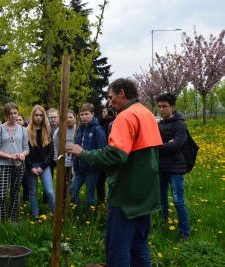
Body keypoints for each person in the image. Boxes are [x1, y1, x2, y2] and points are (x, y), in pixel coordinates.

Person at [67, 78, 162, 266]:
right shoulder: (147, 113)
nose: (109, 102)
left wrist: (83, 153)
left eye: (111, 97)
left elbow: (115, 155)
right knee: (139, 246)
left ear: (121, 94)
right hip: (147, 192)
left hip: (126, 194)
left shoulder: (125, 117)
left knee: (117, 249)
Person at [157, 93, 190, 241]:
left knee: (178, 200)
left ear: (173, 107)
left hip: (175, 168)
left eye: (165, 106)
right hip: (161, 167)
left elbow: (177, 144)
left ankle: (184, 232)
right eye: (159, 106)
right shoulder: (159, 124)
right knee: (161, 198)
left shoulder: (180, 124)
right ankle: (163, 222)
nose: (161, 109)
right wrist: (167, 144)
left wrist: (162, 145)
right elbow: (154, 143)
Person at [0, 102, 29, 222]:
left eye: (15, 113)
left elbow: (26, 148)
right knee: (2, 194)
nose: (13, 116)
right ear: (6, 115)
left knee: (15, 193)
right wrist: (9, 156)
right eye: (10, 114)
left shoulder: (23, 130)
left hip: (19, 165)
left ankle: (13, 219)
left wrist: (22, 154)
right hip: (3, 165)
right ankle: (0, 219)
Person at [70, 103, 106, 218]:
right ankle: (78, 215)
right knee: (73, 190)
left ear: (92, 114)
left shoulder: (98, 129)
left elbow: (102, 150)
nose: (84, 117)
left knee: (90, 194)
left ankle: (89, 219)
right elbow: (76, 147)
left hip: (92, 169)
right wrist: (73, 165)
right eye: (82, 114)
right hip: (79, 168)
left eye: (86, 114)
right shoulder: (80, 128)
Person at [26, 105, 55, 219]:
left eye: (41, 115)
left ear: (44, 117)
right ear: (33, 116)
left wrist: (43, 166)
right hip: (31, 165)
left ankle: (55, 215)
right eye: (36, 115)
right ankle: (35, 216)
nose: (38, 117)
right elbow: (24, 150)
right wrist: (30, 167)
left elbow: (51, 152)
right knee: (33, 192)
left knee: (49, 191)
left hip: (44, 165)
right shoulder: (26, 131)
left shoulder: (47, 130)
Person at [53, 109, 77, 200]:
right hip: (63, 162)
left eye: (71, 117)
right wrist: (57, 160)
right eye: (66, 118)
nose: (69, 119)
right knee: (62, 184)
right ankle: (62, 203)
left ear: (75, 118)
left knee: (73, 185)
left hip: (75, 162)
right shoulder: (59, 131)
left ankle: (72, 203)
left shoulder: (78, 129)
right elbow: (55, 145)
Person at [97, 100, 116, 203]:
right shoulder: (102, 120)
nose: (111, 110)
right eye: (109, 108)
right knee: (100, 180)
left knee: (111, 180)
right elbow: (97, 127)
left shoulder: (117, 119)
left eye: (112, 108)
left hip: (112, 153)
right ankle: (101, 202)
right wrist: (102, 117)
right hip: (102, 152)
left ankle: (110, 202)